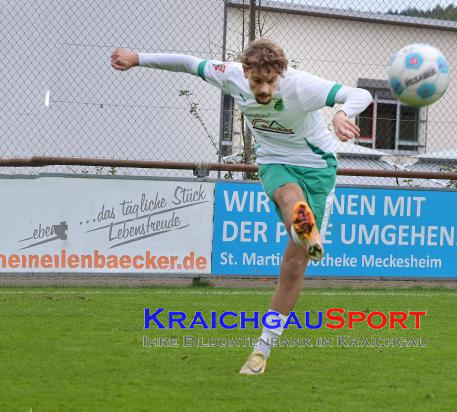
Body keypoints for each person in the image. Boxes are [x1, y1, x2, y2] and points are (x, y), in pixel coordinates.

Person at [111, 38, 372, 375]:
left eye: (270, 82)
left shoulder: (301, 85)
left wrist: (341, 114)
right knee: (289, 197)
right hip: (275, 161)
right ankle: (302, 223)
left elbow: (360, 94)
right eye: (256, 81)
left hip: (318, 166)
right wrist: (138, 57)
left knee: (293, 267)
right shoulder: (230, 75)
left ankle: (262, 348)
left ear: (281, 73)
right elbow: (188, 62)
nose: (263, 89)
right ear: (245, 72)